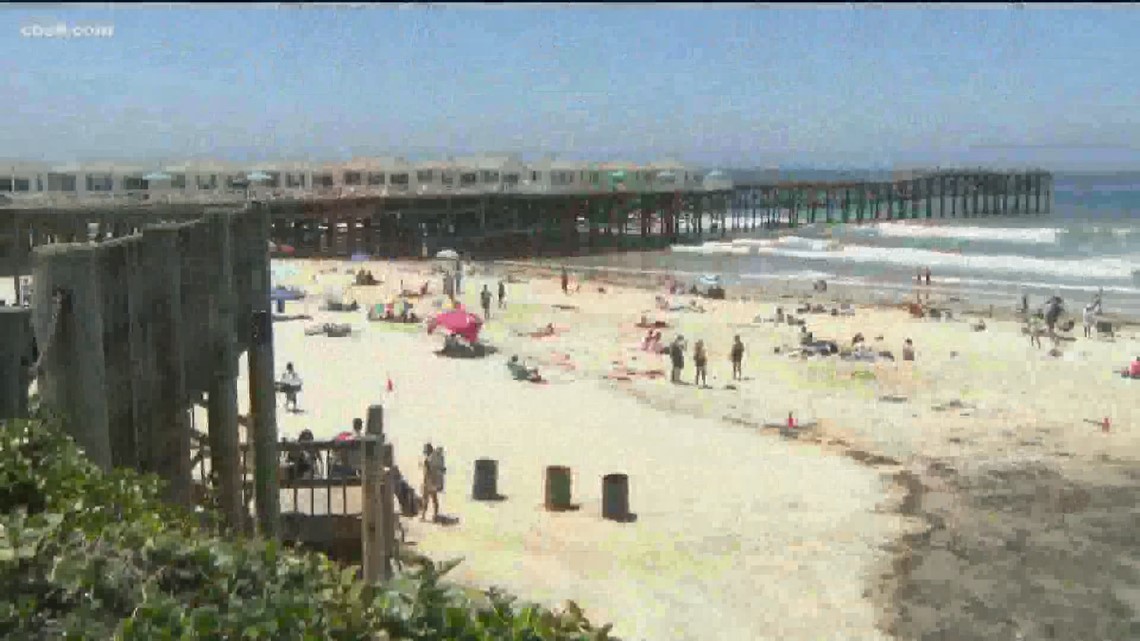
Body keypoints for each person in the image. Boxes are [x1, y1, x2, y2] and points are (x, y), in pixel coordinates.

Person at [420, 443, 442, 522]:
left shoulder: (427, 461)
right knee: (434, 500)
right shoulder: (434, 460)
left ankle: (423, 516)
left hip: (428, 483)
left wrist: (425, 483)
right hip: (433, 483)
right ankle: (435, 516)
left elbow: (426, 473)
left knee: (425, 501)